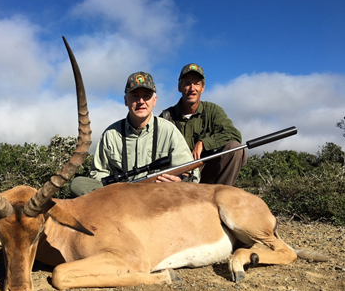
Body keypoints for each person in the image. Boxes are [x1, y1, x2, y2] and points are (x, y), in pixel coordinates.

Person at [70, 71, 200, 197]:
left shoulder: (169, 131)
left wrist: (180, 181)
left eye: (146, 96)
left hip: (159, 197)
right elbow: (97, 174)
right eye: (135, 96)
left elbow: (190, 172)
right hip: (122, 198)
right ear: (126, 100)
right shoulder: (111, 134)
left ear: (154, 100)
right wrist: (115, 189)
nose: (141, 101)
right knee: (77, 184)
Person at [160, 63, 247, 186]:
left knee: (234, 148)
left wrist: (204, 143)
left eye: (196, 83)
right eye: (187, 83)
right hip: (177, 173)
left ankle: (222, 195)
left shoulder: (213, 110)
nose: (192, 88)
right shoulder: (166, 117)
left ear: (203, 88)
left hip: (206, 170)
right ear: (180, 87)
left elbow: (233, 134)